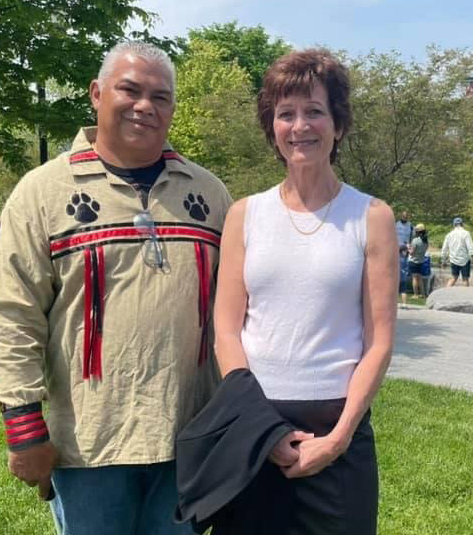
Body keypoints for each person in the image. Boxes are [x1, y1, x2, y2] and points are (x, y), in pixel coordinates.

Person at [0, 41, 232, 535]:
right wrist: (23, 424)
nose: (145, 106)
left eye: (161, 97)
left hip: (191, 436)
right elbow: (9, 310)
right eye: (130, 90)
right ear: (97, 94)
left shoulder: (209, 194)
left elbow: (239, 310)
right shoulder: (43, 191)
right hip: (88, 442)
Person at [208, 49, 397, 534]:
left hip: (338, 425)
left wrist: (336, 440)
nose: (300, 126)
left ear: (338, 123)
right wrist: (258, 426)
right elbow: (226, 330)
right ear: (271, 127)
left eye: (314, 111)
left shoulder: (371, 216)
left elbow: (378, 342)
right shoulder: (245, 215)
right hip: (253, 425)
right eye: (285, 114)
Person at [441, 217, 473, 287]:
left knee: (454, 278)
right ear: (462, 224)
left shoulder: (449, 235)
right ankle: (465, 297)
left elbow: (444, 250)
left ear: (454, 225)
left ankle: (446, 293)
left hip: (453, 260)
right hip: (464, 260)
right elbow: (470, 248)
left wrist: (443, 261)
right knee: (465, 279)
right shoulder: (466, 233)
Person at [408, 223, 429, 298]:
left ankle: (416, 294)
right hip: (421, 261)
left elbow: (411, 253)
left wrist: (408, 247)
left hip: (413, 261)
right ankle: (423, 294)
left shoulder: (415, 240)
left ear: (418, 231)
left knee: (414, 278)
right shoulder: (426, 241)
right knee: (420, 278)